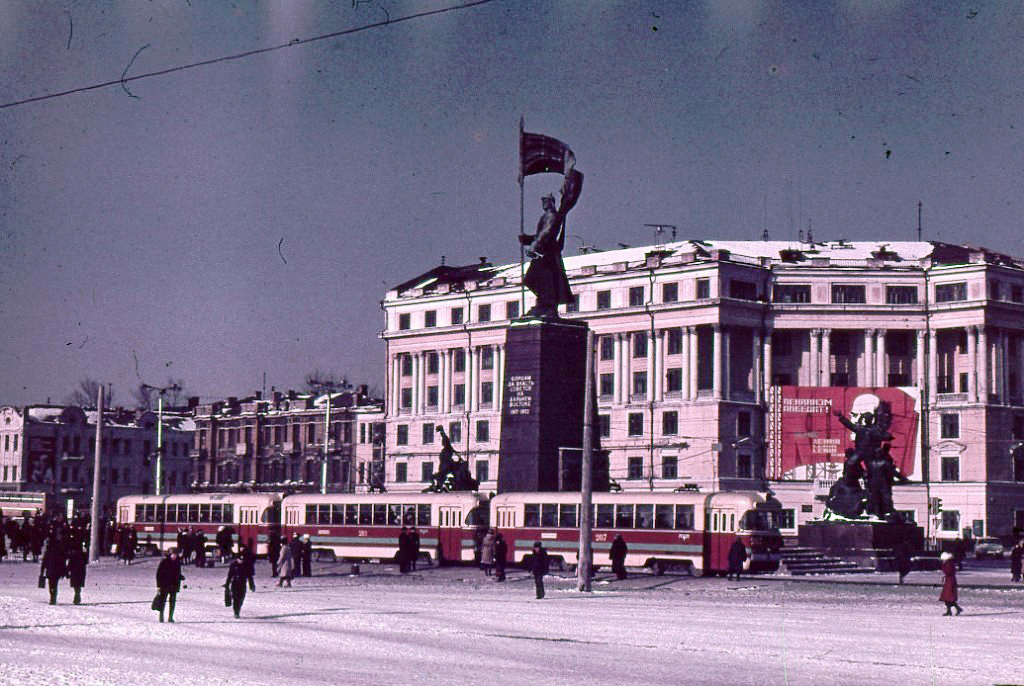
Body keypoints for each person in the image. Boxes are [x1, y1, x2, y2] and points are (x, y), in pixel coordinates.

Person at [155, 548, 184, 623]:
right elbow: (159, 574)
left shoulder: (177, 562)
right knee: (163, 601)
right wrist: (159, 585)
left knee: (172, 602)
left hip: (174, 585)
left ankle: (170, 617)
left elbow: (176, 573)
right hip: (165, 585)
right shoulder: (164, 562)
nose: (174, 556)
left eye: (176, 555)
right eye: (173, 555)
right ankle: (161, 616)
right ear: (170, 554)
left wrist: (180, 576)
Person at [40, 534, 66, 605]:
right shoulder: (60, 551)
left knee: (51, 584)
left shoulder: (48, 551)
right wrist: (64, 571)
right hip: (57, 571)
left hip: (50, 570)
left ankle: (52, 596)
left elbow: (44, 562)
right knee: (55, 584)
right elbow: (63, 562)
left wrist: (42, 571)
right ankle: (54, 596)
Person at [225, 551, 249, 618]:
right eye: (240, 559)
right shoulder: (233, 565)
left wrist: (252, 585)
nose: (241, 561)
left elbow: (249, 576)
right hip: (235, 583)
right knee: (236, 598)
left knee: (241, 598)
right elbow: (230, 575)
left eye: (242, 559)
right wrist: (227, 584)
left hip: (243, 584)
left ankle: (238, 609)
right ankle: (236, 612)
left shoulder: (246, 565)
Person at [939, 551, 962, 616]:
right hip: (949, 581)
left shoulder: (948, 564)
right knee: (948, 598)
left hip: (950, 582)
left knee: (948, 598)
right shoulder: (950, 563)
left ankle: (953, 610)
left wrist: (943, 566)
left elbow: (948, 572)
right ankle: (954, 609)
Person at [66, 540, 87, 605]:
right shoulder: (82, 555)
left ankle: (77, 596)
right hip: (80, 571)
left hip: (74, 572)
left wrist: (67, 572)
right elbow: (85, 562)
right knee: (78, 585)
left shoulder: (73, 555)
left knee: (76, 585)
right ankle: (77, 596)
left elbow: (70, 564)